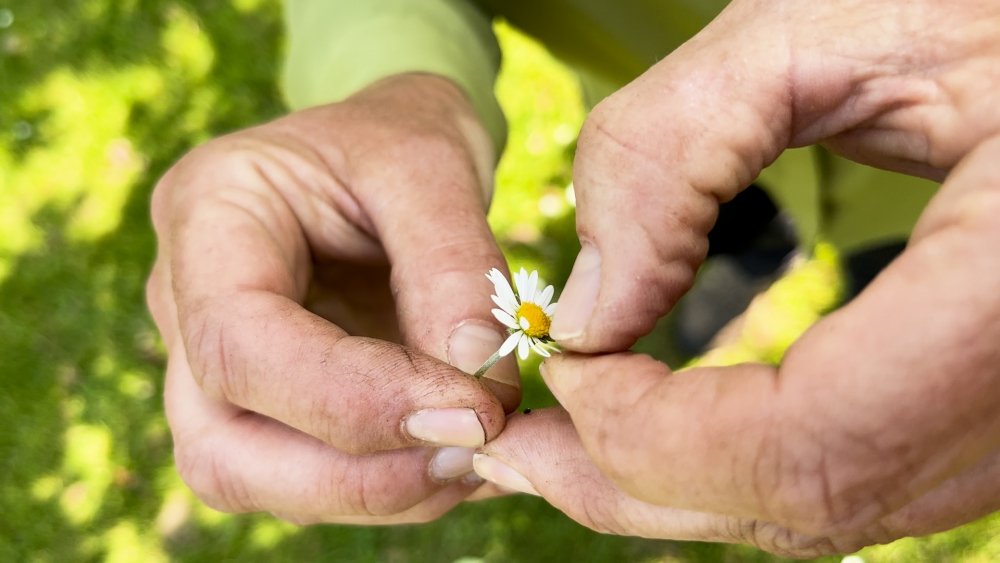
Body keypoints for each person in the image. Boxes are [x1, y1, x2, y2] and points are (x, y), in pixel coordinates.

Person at [145, 0, 1000, 556]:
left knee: (905, 293)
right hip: (676, 161)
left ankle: (852, 274)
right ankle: (758, 257)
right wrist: (390, 80)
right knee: (713, 230)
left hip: (928, 167)